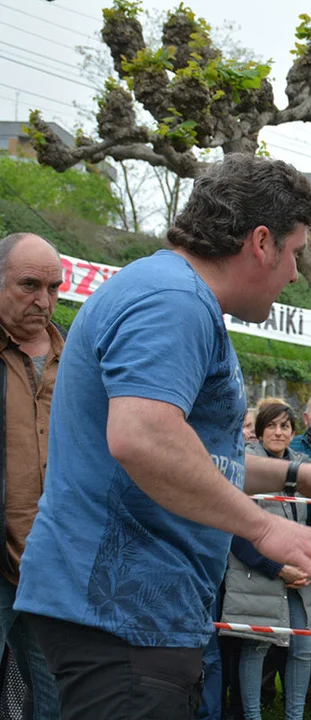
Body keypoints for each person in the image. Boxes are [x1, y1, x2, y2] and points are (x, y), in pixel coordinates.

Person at [13, 154, 311, 720]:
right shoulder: (174, 300)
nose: (294, 274)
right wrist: (264, 527)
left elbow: (196, 457)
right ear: (261, 242)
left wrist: (298, 475)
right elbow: (143, 439)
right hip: (122, 617)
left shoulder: (168, 290)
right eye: (295, 252)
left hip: (135, 614)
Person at [221, 402, 311, 720]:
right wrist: (277, 569)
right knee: (256, 644)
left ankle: (295, 717)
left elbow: (310, 523)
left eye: (284, 426)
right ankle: (252, 717)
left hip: (299, 576)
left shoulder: (303, 466)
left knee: (302, 647)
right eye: (271, 426)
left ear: (293, 431)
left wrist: (305, 564)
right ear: (260, 431)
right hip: (256, 574)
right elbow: (236, 531)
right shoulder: (243, 464)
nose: (278, 432)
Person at [0, 233, 63, 719]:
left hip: (55, 570)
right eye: (29, 285)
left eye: (54, 288)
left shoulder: (81, 359)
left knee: (54, 702)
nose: (43, 300)